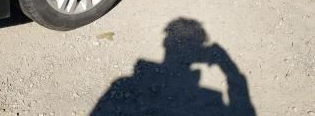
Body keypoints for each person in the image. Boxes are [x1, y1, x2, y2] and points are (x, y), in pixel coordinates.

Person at [90, 18, 255, 116]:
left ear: (165, 43)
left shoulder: (123, 83)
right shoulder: (210, 98)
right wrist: (229, 68)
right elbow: (244, 109)